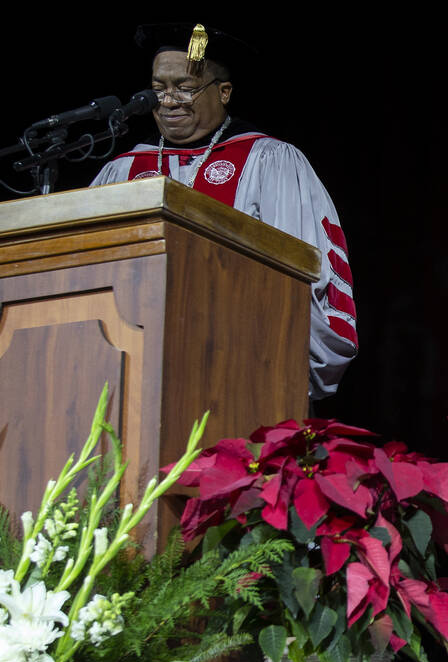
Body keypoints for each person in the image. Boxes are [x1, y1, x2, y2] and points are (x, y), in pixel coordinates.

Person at [91, 23, 357, 400]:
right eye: (158, 90)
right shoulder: (121, 171)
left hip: (239, 371)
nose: (168, 101)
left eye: (184, 88)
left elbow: (309, 273)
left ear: (224, 92)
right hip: (127, 375)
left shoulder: (269, 162)